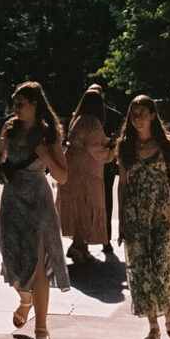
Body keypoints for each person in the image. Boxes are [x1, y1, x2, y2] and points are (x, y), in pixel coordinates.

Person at [0, 81, 69, 339]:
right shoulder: (10, 128)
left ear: (35, 105)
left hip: (37, 200)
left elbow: (62, 176)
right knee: (10, 254)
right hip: (12, 199)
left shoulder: (48, 134)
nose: (15, 108)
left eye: (20, 104)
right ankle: (26, 301)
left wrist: (47, 156)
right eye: (14, 104)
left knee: (37, 264)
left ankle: (41, 329)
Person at [117, 94, 170, 339]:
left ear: (153, 115)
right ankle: (154, 329)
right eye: (134, 113)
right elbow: (122, 185)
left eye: (143, 113)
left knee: (161, 263)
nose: (138, 118)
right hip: (135, 215)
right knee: (141, 270)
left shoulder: (166, 145)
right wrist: (120, 219)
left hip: (161, 213)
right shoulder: (125, 147)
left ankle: (168, 307)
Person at [56, 89, 115, 263]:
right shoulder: (92, 121)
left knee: (78, 208)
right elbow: (96, 148)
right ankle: (77, 246)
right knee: (87, 208)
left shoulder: (77, 118)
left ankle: (81, 246)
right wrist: (113, 152)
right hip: (86, 171)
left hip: (73, 168)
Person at [87, 83, 123, 253]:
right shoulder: (84, 116)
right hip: (88, 166)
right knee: (87, 203)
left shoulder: (114, 116)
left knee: (106, 202)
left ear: (102, 95)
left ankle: (106, 239)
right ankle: (86, 238)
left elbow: (119, 139)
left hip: (105, 165)